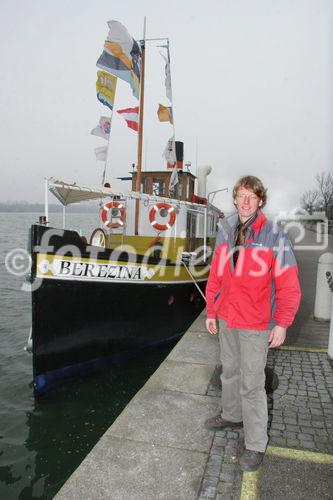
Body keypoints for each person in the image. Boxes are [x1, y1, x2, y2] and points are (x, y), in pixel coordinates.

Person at [205, 175, 301, 472]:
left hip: (256, 322)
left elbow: (288, 282)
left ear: (260, 201)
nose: (246, 201)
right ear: (234, 198)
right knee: (229, 372)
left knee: (253, 384)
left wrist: (282, 322)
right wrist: (211, 310)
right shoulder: (225, 228)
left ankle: (256, 443)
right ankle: (232, 416)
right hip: (227, 316)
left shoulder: (274, 235)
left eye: (252, 196)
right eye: (241, 195)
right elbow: (217, 272)